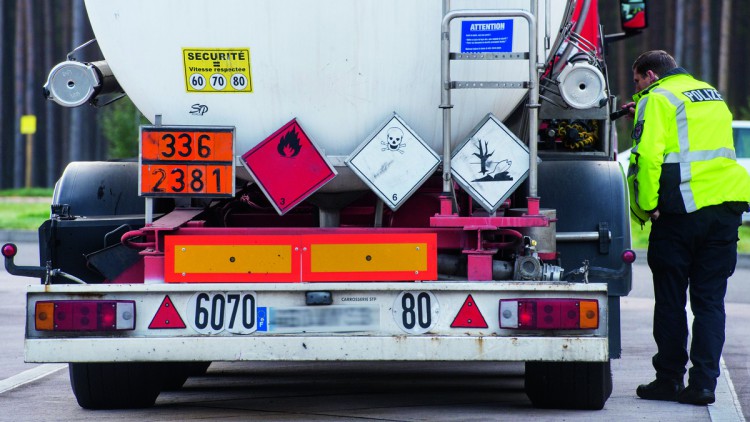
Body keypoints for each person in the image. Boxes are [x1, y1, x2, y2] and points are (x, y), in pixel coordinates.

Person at [623, 50, 750, 406]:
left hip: (680, 212)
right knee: (710, 301)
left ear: (649, 75)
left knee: (671, 299)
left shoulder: (656, 98)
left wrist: (647, 207)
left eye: (636, 82)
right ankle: (704, 385)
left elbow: (647, 158)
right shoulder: (710, 93)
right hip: (726, 207)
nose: (636, 89)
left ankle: (668, 379)